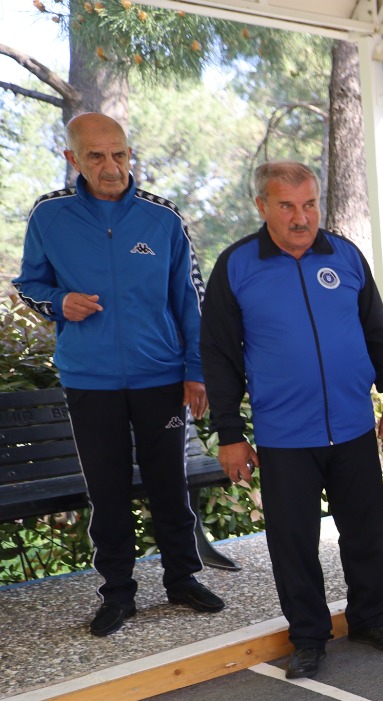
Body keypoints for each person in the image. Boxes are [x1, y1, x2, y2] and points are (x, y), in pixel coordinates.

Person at [13, 112, 225, 636]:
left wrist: (195, 372)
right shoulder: (49, 215)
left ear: (130, 153)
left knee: (168, 484)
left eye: (119, 154)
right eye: (96, 156)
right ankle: (118, 594)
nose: (111, 167)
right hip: (91, 380)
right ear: (72, 159)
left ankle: (182, 579)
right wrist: (62, 301)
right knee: (106, 492)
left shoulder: (163, 218)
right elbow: (30, 284)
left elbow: (190, 299)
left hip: (160, 378)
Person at [200, 161, 383, 680]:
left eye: (310, 203)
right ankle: (310, 637)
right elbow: (220, 357)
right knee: (293, 544)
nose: (302, 217)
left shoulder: (344, 256)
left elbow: (377, 333)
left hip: (353, 427)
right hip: (283, 437)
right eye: (287, 205)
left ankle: (367, 619)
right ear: (262, 207)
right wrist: (231, 435)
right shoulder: (236, 266)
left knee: (365, 530)